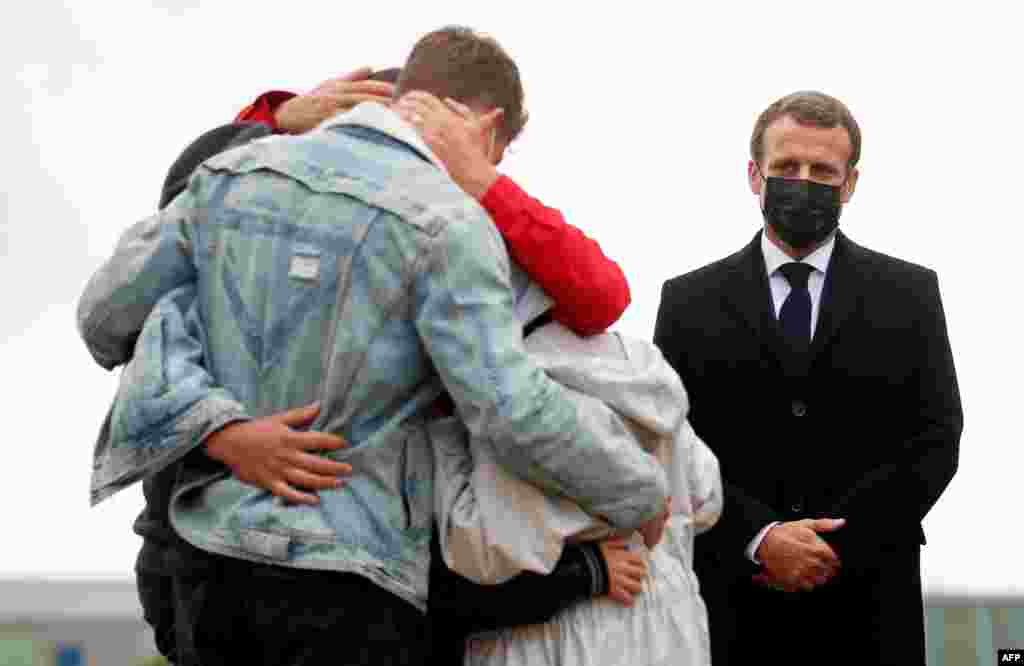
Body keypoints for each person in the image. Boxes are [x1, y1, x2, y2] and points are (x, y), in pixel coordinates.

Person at [79, 26, 669, 666]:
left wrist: (217, 427)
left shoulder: (228, 176)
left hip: (207, 567)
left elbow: (104, 317)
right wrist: (638, 491)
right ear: (487, 126)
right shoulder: (446, 224)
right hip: (353, 582)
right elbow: (510, 407)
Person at [653, 90, 962, 665]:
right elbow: (671, 443)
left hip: (869, 611)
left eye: (823, 170)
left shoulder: (910, 296)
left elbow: (935, 442)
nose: (803, 180)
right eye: (786, 167)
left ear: (849, 183)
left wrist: (832, 548)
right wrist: (760, 539)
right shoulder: (688, 302)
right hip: (731, 609)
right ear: (754, 174)